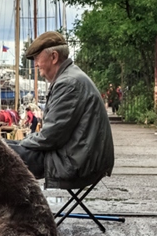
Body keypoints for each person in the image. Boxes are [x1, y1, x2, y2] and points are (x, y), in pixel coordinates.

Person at [7, 31, 114, 189]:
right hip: (78, 155)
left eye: (37, 58)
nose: (35, 64)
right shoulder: (70, 77)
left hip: (76, 161)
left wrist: (20, 143)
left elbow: (50, 137)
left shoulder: (68, 83)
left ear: (54, 57)